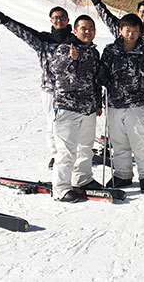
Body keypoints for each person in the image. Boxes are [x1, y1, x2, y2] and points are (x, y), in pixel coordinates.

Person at [0, 6, 73, 170]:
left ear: (68, 20)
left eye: (62, 17)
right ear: (51, 20)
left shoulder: (74, 40)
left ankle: (71, 153)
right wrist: (5, 20)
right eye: (55, 17)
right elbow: (24, 32)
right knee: (52, 123)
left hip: (72, 90)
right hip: (50, 89)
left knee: (71, 123)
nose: (59, 20)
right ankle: (56, 155)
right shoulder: (43, 41)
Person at [48, 15, 105, 202]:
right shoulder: (65, 48)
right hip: (68, 106)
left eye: (91, 28)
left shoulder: (93, 52)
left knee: (86, 147)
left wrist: (97, 102)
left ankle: (83, 178)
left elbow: (95, 80)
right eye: (83, 28)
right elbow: (54, 68)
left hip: (88, 107)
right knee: (66, 150)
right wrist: (70, 59)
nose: (87, 31)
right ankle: (61, 187)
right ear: (75, 30)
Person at [99, 14, 144, 193]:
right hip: (114, 102)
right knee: (118, 142)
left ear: (139, 32)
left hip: (135, 103)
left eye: (135, 31)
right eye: (127, 30)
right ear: (121, 30)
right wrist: (103, 76)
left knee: (139, 140)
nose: (131, 34)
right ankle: (123, 174)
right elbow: (103, 70)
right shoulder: (110, 50)